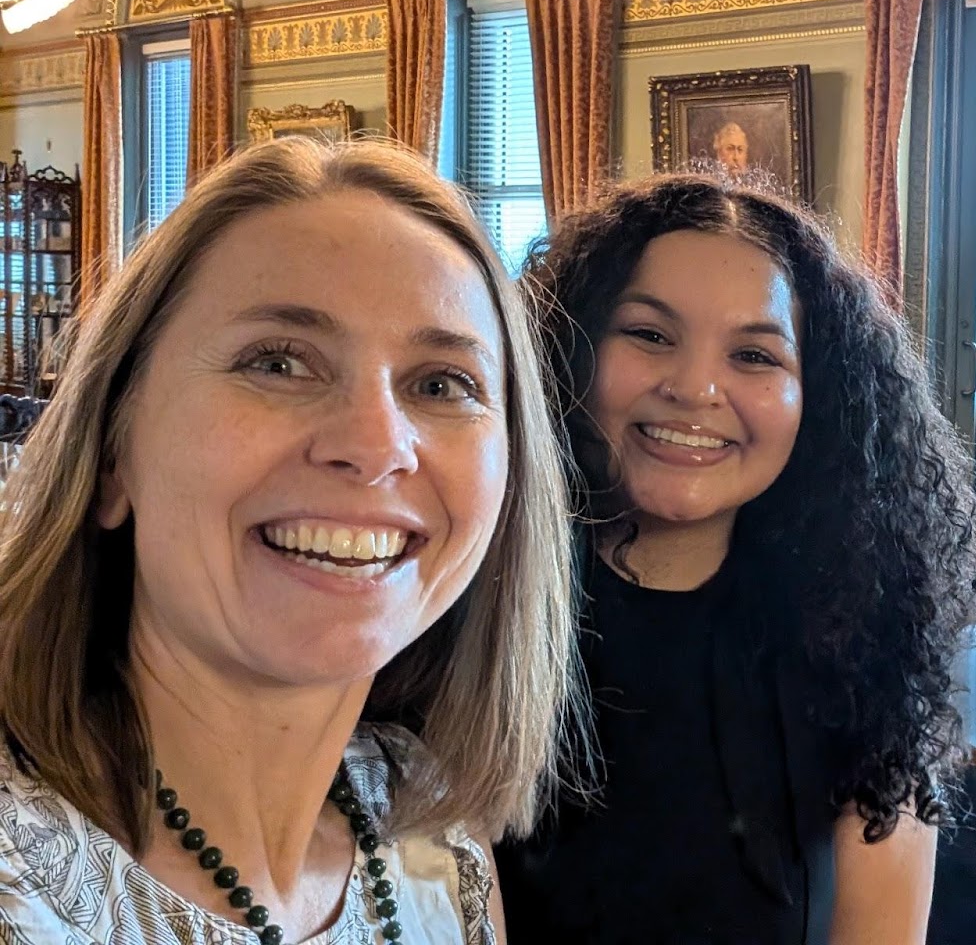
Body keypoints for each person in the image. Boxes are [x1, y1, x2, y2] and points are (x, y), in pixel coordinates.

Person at [0, 137, 581, 943]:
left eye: (442, 384)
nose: (378, 444)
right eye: (277, 363)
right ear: (109, 455)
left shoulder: (433, 847)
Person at [497, 173, 976, 944]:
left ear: (820, 399)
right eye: (648, 334)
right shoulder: (469, 616)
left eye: (754, 355)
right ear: (567, 350)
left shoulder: (867, 648)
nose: (696, 388)